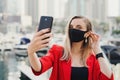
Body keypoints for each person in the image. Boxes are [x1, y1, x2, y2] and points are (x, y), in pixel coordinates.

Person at [27, 16, 114, 80]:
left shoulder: (94, 57)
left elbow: (108, 78)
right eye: (71, 27)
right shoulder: (57, 51)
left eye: (79, 27)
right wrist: (31, 52)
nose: (73, 29)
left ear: (87, 33)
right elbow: (39, 68)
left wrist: (97, 49)